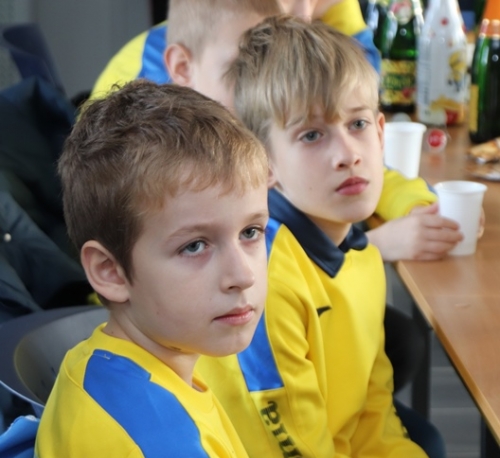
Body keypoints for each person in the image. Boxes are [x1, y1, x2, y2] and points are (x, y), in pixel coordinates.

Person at [197, 16, 500, 458]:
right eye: (311, 135)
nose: (347, 153)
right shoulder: (260, 284)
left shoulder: (358, 250)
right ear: (265, 164)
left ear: (381, 133)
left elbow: (373, 424)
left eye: (357, 124)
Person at [23, 80, 314, 458]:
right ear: (110, 272)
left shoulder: (97, 364)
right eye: (194, 246)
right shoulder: (164, 452)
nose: (243, 274)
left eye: (251, 232)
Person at [89, 0, 462, 264]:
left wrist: (418, 207)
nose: (265, 81)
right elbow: (218, 268)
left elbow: (357, 155)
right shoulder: (164, 137)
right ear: (182, 68)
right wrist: (370, 248)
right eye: (243, 66)